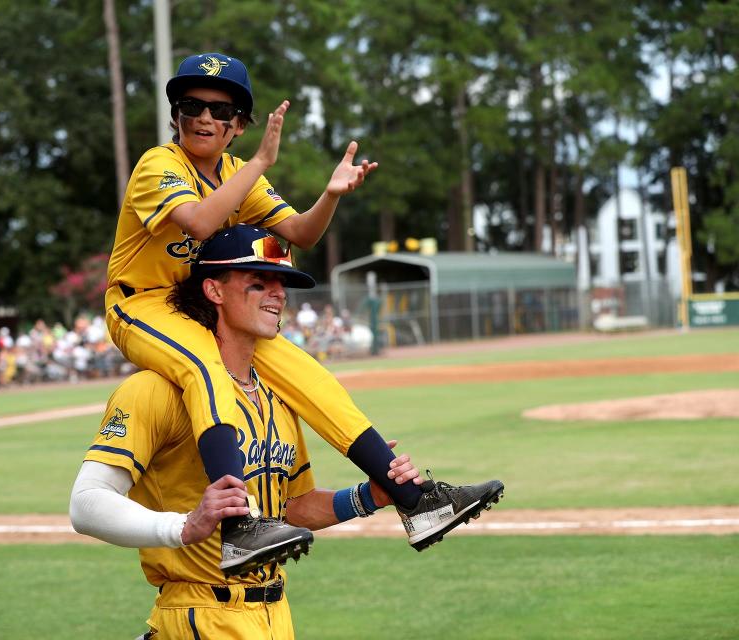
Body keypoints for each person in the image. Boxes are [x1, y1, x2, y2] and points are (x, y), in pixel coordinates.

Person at [104, 52, 501, 576]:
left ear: (239, 125)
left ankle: (413, 498)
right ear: (175, 113)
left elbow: (302, 234)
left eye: (221, 111)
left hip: (201, 304)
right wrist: (261, 163)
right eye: (192, 105)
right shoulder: (161, 163)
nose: (204, 118)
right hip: (144, 302)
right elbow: (199, 223)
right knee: (204, 368)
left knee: (307, 374)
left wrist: (330, 195)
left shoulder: (232, 173)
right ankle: (239, 527)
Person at [72, 225, 469, 639]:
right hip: (200, 611)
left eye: (282, 283)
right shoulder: (153, 390)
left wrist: (371, 497)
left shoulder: (275, 397)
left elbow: (290, 509)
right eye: (258, 283)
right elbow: (86, 504)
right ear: (214, 291)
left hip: (274, 616)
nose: (277, 293)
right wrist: (184, 526)